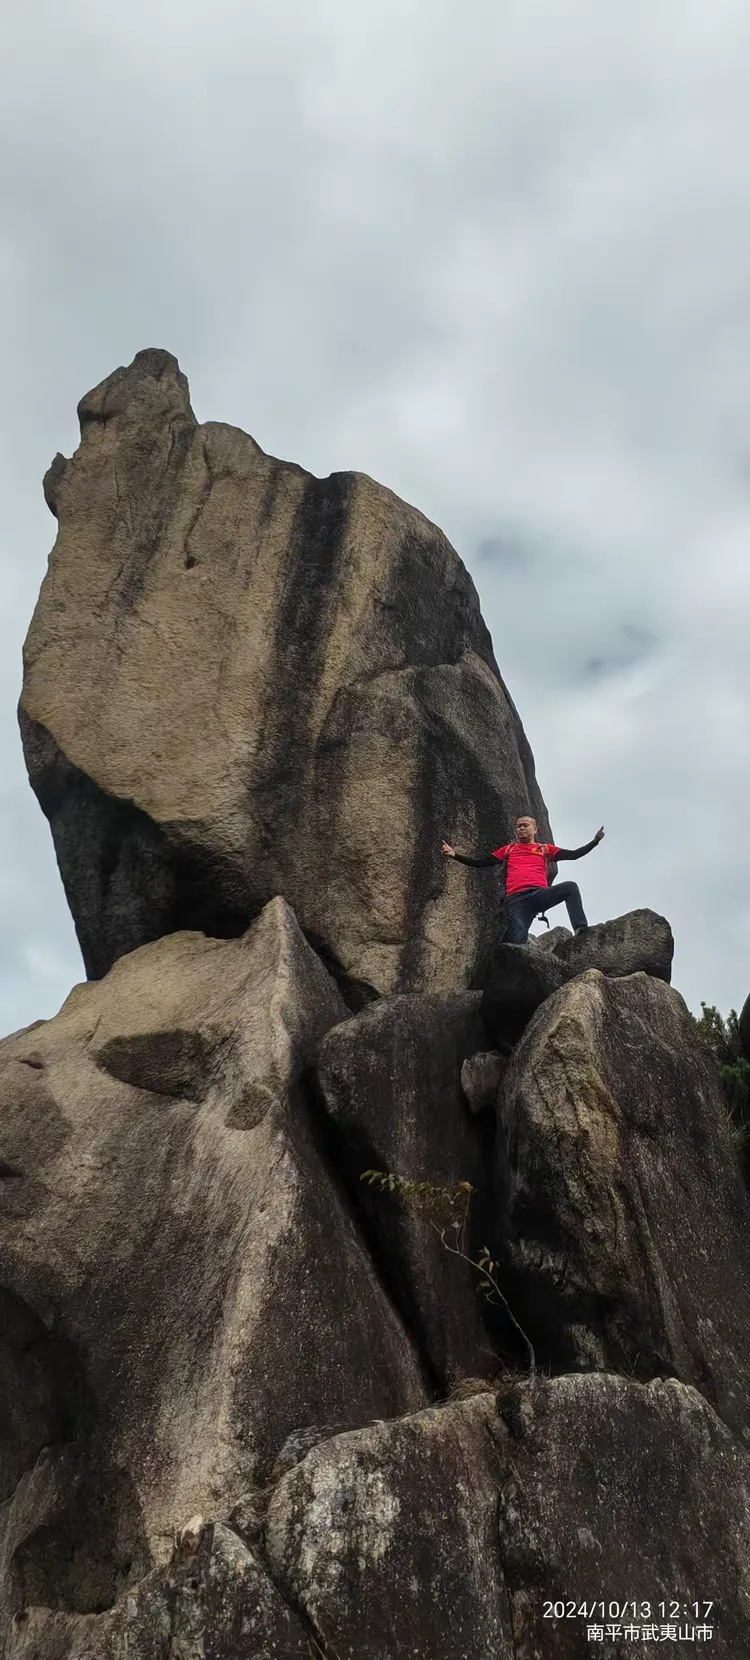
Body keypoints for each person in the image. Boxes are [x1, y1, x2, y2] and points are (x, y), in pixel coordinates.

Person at [442, 814, 604, 944]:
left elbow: (574, 855)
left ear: (535, 829)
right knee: (517, 942)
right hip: (517, 900)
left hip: (540, 894)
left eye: (525, 825)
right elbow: (481, 862)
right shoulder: (510, 849)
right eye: (518, 826)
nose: (521, 828)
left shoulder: (545, 849)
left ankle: (581, 929)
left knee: (570, 887)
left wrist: (594, 841)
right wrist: (455, 855)